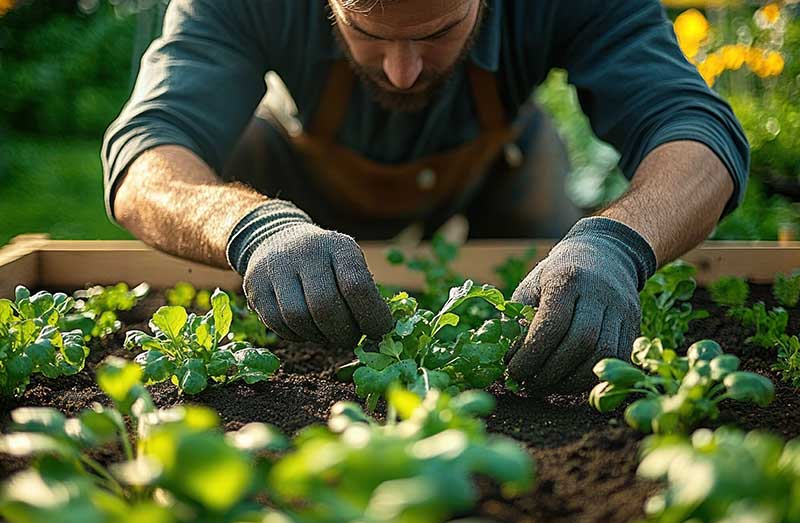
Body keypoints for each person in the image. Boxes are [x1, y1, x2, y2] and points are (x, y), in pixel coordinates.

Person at [103, 0, 749, 392]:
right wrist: (250, 225)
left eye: (438, 31)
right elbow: (145, 154)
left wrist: (619, 243)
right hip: (294, 175)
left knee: (568, 314)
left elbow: (696, 130)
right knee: (238, 154)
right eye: (368, 32)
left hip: (500, 172)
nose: (401, 70)